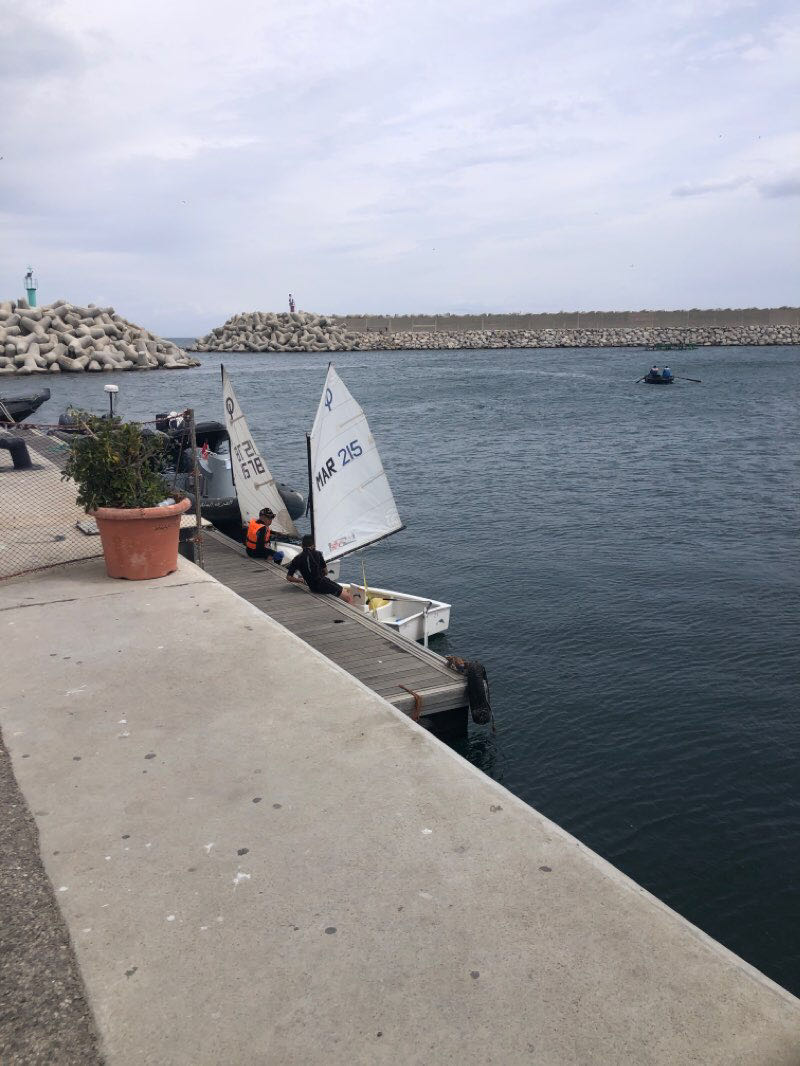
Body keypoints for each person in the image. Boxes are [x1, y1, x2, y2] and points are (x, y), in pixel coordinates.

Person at [286, 534, 353, 603]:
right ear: (313, 545)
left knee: (340, 589)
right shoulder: (318, 554)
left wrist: (300, 580)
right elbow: (326, 572)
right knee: (348, 597)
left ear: (302, 545)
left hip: (312, 587)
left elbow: (288, 577)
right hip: (321, 583)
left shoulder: (297, 559)